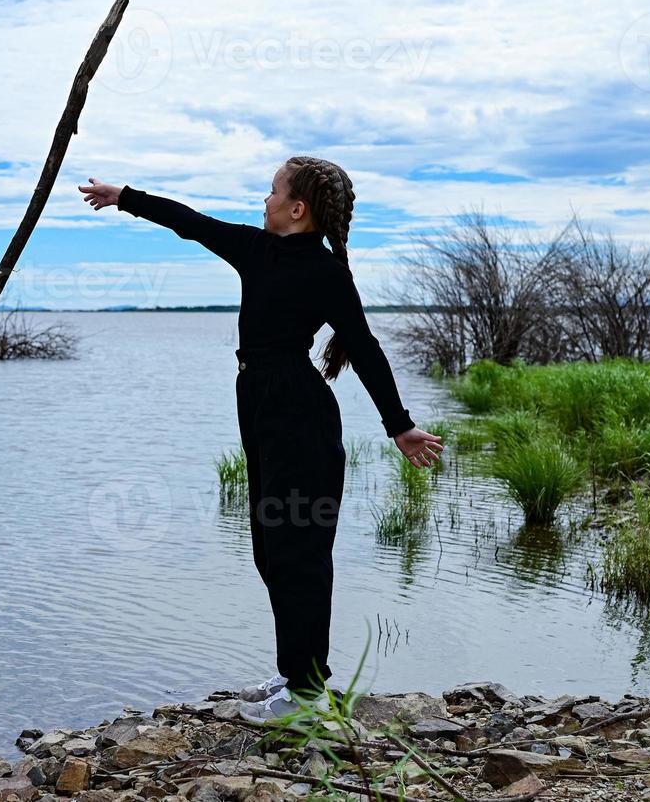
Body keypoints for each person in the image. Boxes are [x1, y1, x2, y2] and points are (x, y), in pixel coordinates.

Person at [78, 157, 444, 723]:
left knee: (300, 552)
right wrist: (123, 195)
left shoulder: (326, 274)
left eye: (272, 190)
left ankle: (307, 694)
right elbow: (190, 221)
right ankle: (293, 672)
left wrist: (398, 425)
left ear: (297, 210)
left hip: (300, 415)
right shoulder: (255, 249)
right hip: (263, 408)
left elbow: (364, 348)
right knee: (271, 551)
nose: (263, 198)